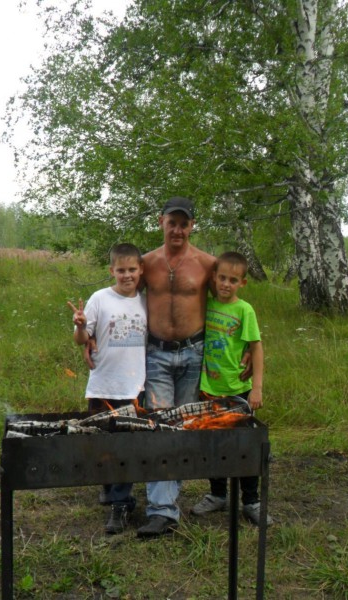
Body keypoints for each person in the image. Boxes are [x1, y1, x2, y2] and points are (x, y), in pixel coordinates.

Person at [136, 196, 218, 538]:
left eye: (184, 224)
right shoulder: (145, 263)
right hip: (156, 354)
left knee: (182, 426)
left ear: (192, 226)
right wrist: (94, 335)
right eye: (172, 223)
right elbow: (123, 299)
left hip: (193, 354)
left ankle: (168, 500)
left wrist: (245, 349)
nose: (178, 230)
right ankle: (162, 510)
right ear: (161, 222)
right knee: (160, 426)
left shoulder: (207, 264)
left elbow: (230, 306)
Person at [68, 243, 147, 535]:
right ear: (111, 270)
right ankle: (107, 485)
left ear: (140, 270)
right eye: (121, 270)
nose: (127, 275)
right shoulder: (100, 299)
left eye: (132, 270)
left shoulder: (146, 302)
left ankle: (121, 503)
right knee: (101, 441)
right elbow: (81, 339)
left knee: (126, 446)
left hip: (133, 387)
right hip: (103, 384)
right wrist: (81, 327)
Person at [190, 251, 273, 526]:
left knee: (243, 444)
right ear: (214, 278)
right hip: (208, 388)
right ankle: (217, 494)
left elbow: (256, 347)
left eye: (233, 280)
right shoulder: (206, 304)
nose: (226, 284)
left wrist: (257, 388)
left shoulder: (244, 310)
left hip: (237, 389)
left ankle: (251, 501)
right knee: (213, 443)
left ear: (242, 283)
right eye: (222, 278)